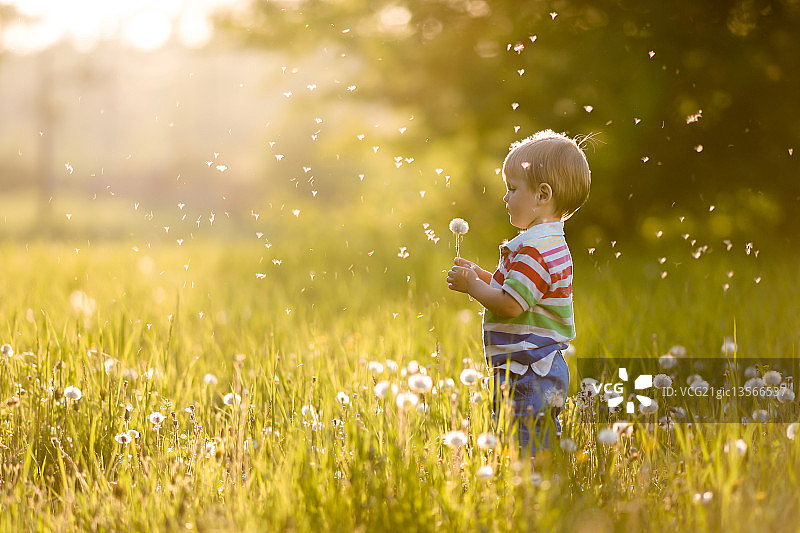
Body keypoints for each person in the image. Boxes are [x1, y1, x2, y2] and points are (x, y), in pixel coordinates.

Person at [446, 130, 591, 455]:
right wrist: (482, 276)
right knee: (537, 440)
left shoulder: (533, 251)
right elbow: (517, 291)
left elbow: (511, 305)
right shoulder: (550, 244)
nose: (505, 198)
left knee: (524, 447)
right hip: (541, 365)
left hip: (526, 371)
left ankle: (532, 494)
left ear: (542, 195)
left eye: (512, 189)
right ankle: (546, 485)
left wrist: (472, 286)